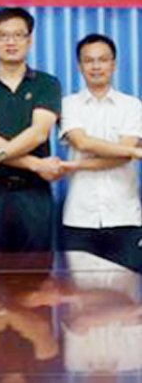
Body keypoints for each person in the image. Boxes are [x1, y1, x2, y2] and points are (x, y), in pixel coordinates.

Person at [0, 7, 62, 253]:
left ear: (29, 40)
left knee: (37, 270)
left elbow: (39, 133)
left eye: (18, 35)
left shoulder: (47, 84)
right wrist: (36, 164)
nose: (11, 42)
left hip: (34, 192)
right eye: (3, 35)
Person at [59, 34, 142, 269]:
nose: (96, 66)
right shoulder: (68, 104)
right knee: (79, 290)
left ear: (113, 64)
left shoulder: (132, 105)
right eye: (89, 60)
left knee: (129, 290)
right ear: (79, 66)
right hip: (79, 216)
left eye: (103, 60)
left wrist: (74, 165)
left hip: (125, 214)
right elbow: (82, 143)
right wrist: (132, 151)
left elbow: (124, 156)